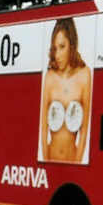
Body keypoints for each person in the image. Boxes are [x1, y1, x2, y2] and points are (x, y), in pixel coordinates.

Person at [40, 18, 92, 163]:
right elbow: (43, 130)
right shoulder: (49, 77)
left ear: (72, 45)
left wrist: (77, 163)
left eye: (62, 47)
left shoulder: (84, 75)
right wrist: (45, 162)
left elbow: (84, 131)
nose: (57, 55)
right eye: (55, 48)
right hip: (50, 157)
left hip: (73, 160)